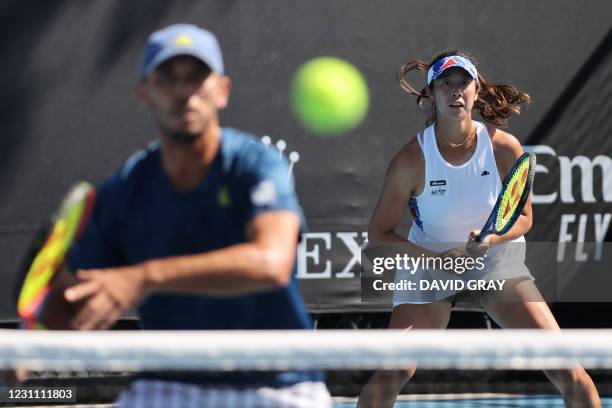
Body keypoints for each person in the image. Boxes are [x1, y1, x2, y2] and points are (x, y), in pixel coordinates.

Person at [55, 23, 332, 407]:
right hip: (170, 383)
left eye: (197, 78)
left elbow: (272, 263)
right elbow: (72, 298)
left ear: (222, 91)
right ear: (144, 94)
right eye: (168, 79)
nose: (184, 92)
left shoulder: (254, 165)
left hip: (279, 383)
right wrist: (28, 343)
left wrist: (143, 277)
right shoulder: (122, 193)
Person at [357, 51, 600, 407]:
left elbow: (524, 216)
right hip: (429, 267)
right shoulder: (411, 160)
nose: (455, 91)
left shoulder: (503, 147)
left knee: (568, 370)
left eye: (463, 82)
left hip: (495, 263)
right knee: (392, 373)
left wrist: (490, 238)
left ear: (476, 91)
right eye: (445, 83)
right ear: (431, 94)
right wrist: (438, 261)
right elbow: (379, 234)